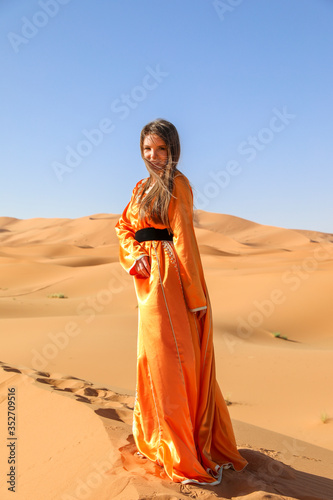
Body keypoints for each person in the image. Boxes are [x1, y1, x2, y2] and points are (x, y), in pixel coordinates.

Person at [115, 119, 247, 484]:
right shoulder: (140, 187)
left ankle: (182, 450)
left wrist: (195, 296)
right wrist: (133, 255)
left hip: (169, 277)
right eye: (147, 149)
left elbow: (185, 237)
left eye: (160, 149)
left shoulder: (178, 183)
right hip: (145, 280)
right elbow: (123, 227)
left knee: (171, 360)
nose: (153, 156)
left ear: (173, 150)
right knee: (151, 357)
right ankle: (160, 438)